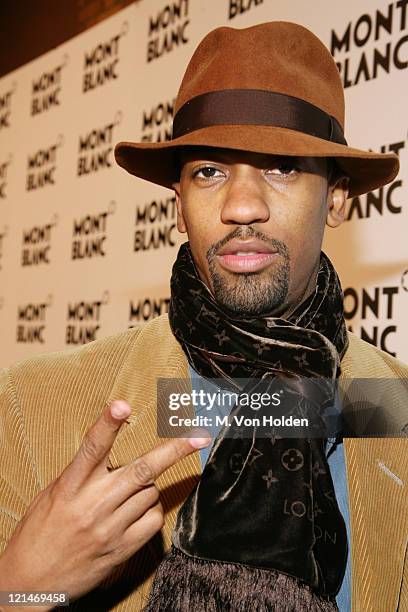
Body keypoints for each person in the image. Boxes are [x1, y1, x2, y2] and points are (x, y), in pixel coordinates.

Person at [0, 20, 407, 612]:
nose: (242, 205)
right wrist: (19, 587)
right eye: (209, 172)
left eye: (282, 166)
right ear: (179, 209)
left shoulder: (394, 405)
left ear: (338, 198)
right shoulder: (31, 405)